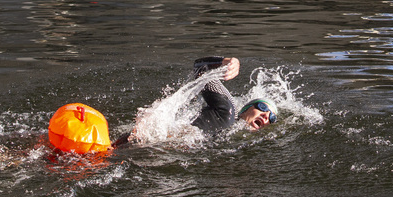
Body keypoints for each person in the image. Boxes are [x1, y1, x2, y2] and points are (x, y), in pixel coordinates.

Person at [112, 56, 278, 147]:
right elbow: (200, 68)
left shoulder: (235, 140)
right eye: (263, 107)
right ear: (247, 108)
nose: (265, 116)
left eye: (271, 118)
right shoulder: (228, 110)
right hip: (142, 143)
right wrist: (226, 62)